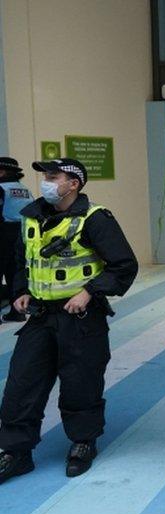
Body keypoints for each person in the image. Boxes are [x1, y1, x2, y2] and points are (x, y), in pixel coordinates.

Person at [0, 158, 137, 484]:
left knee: (81, 382)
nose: (47, 182)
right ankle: (16, 452)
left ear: (73, 183)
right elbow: (22, 260)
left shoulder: (95, 219)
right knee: (22, 383)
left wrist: (90, 291)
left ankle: (82, 441)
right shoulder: (31, 217)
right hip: (40, 315)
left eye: (53, 176)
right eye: (45, 176)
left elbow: (123, 265)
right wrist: (20, 290)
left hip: (81, 317)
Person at [0, 157, 33, 322]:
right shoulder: (25, 189)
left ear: (2, 172)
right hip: (22, 233)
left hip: (3, 233)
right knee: (14, 274)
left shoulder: (0, 188)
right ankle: (17, 312)